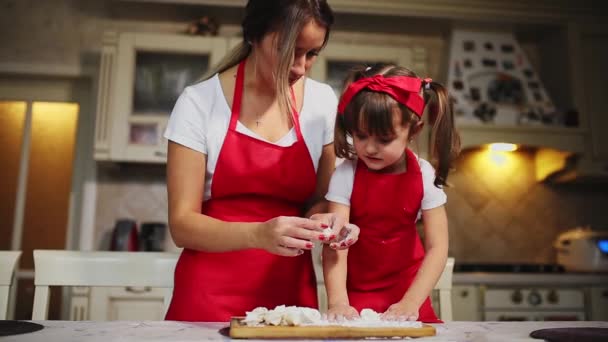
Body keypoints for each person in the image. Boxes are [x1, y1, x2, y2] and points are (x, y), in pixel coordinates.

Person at [163, 0, 355, 322]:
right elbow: (182, 225)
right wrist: (258, 235)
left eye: (311, 54)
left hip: (292, 299)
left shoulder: (322, 103)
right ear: (254, 35)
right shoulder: (199, 103)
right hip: (207, 297)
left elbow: (320, 200)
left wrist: (327, 220)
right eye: (288, 50)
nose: (299, 67)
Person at [322, 63, 461, 323]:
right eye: (361, 136)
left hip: (409, 295)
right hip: (356, 299)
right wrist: (338, 302)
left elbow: (437, 246)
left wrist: (410, 303)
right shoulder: (345, 175)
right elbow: (335, 245)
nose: (370, 148)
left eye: (384, 139)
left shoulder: (425, 175)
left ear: (414, 131)